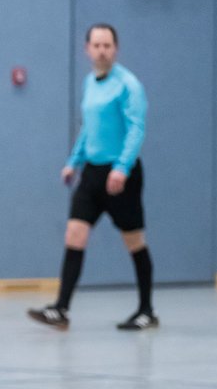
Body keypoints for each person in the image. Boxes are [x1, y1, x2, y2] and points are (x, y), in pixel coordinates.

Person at [28, 23, 157, 331]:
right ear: (87, 49)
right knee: (74, 234)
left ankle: (146, 310)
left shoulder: (128, 85)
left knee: (134, 241)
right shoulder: (90, 82)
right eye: (96, 45)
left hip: (120, 175)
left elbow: (136, 128)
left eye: (107, 45)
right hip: (92, 174)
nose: (101, 50)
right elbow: (89, 128)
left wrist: (122, 168)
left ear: (116, 49)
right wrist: (74, 161)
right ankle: (61, 309)